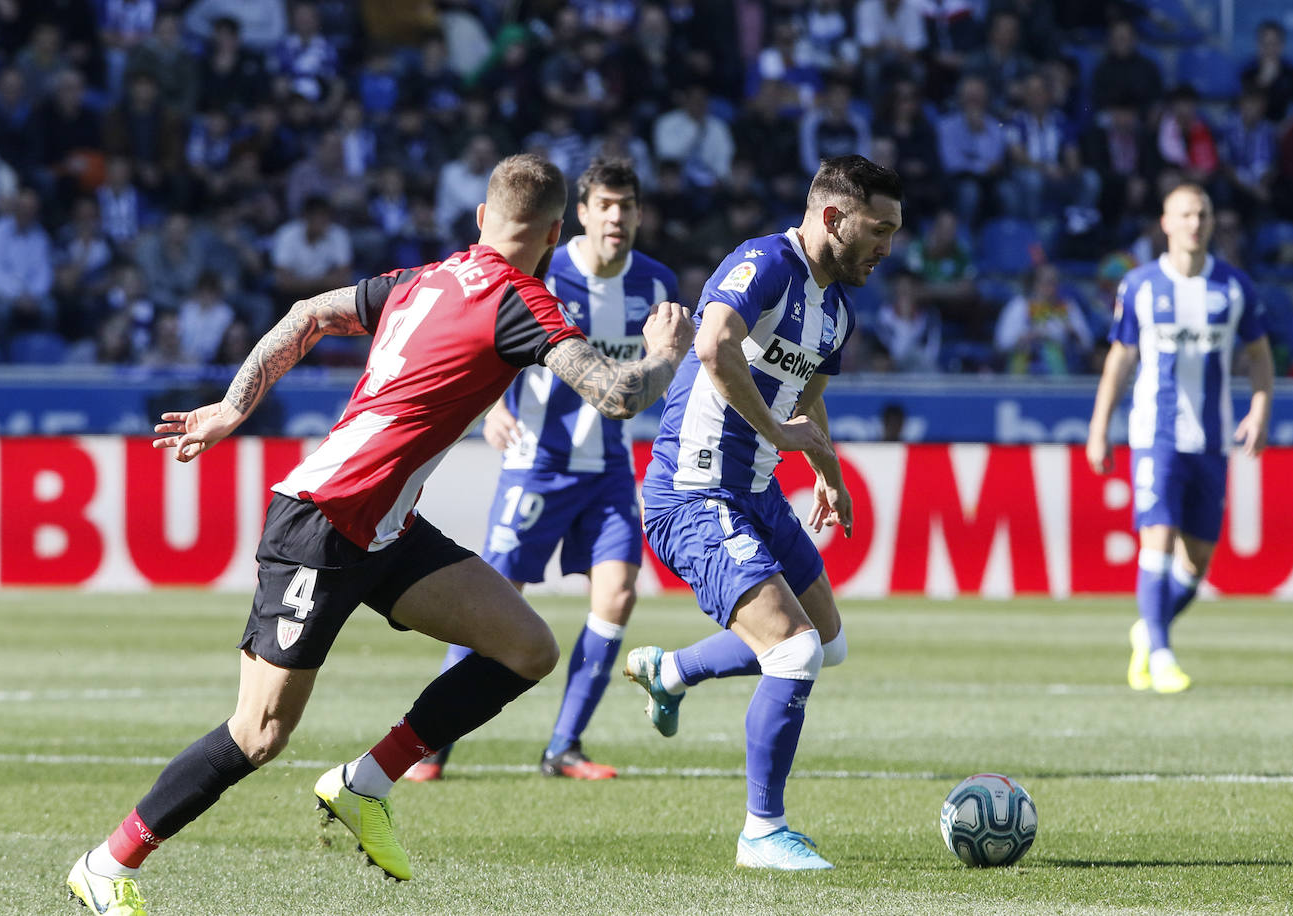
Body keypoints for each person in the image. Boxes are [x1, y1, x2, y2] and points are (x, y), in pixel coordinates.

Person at [65, 153, 694, 916]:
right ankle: (107, 862)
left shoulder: (422, 279)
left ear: (479, 218)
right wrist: (665, 351)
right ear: (558, 232)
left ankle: (366, 783)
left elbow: (307, 316)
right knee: (260, 733)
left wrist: (235, 406)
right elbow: (620, 394)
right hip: (323, 524)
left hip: (384, 528)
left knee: (527, 649)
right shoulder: (520, 301)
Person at [623, 155, 903, 870]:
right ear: (834, 218)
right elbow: (713, 344)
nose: (887, 248)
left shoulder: (836, 309)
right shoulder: (766, 262)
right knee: (794, 650)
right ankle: (761, 832)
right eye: (880, 230)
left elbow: (806, 394)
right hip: (695, 489)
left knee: (829, 642)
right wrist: (782, 437)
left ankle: (673, 671)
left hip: (756, 492)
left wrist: (827, 470)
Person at [406, 158, 678, 783]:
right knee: (491, 604)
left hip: (608, 468)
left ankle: (564, 747)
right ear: (579, 214)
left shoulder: (657, 286)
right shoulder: (545, 270)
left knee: (618, 595)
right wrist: (493, 408)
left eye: (627, 206)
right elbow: (487, 331)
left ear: (639, 214)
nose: (617, 217)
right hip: (537, 464)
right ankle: (432, 744)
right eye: (605, 205)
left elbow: (670, 368)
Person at [1086, 184, 1273, 695]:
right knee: (1158, 538)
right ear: (1166, 223)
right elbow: (1120, 360)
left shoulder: (1234, 288)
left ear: (1212, 223)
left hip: (1211, 440)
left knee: (1199, 561)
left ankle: (1149, 628)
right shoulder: (1141, 286)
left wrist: (1259, 408)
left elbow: (1259, 355)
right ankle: (1163, 654)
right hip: (1155, 435)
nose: (1195, 222)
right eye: (1185, 214)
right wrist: (1100, 427)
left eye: (1203, 214)